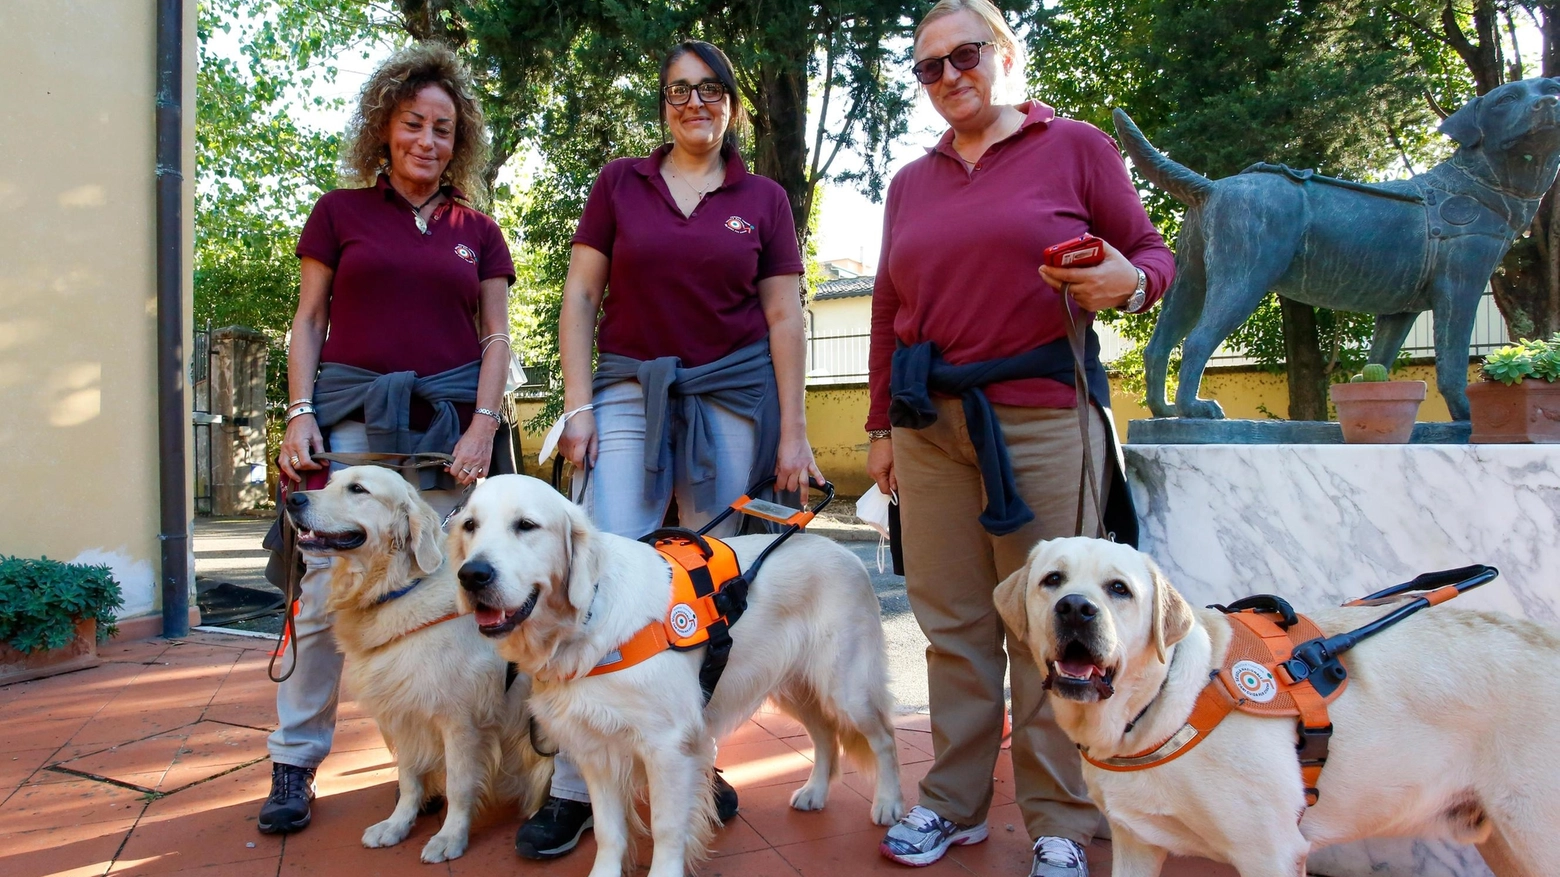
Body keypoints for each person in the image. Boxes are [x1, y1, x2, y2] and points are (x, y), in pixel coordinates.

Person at [865, 2, 1174, 875]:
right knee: (953, 624)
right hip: (931, 426)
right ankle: (954, 804)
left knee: (1057, 624)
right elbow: (889, 307)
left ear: (1002, 54)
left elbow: (1152, 254)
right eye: (928, 67)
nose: (949, 75)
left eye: (965, 54)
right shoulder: (909, 183)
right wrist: (881, 424)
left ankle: (1059, 818)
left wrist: (1132, 283)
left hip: (1043, 415)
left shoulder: (1074, 146)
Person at [516, 39, 822, 860]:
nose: (694, 103)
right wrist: (576, 406)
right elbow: (580, 296)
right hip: (625, 392)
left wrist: (794, 430)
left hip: (730, 396)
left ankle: (694, 754)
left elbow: (785, 317)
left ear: (731, 104)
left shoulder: (762, 199)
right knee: (595, 570)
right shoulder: (622, 181)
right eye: (678, 91)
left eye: (710, 90)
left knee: (713, 582)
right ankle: (577, 785)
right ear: (663, 105)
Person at [258, 43, 517, 835]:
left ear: (458, 140)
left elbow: (497, 338)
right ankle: (294, 762)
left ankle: (452, 764)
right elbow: (308, 320)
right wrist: (299, 410)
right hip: (348, 416)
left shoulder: (480, 230)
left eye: (443, 128)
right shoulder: (338, 213)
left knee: (448, 592)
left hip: (446, 430)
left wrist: (482, 423)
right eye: (414, 124)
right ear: (385, 128)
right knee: (321, 595)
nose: (428, 141)